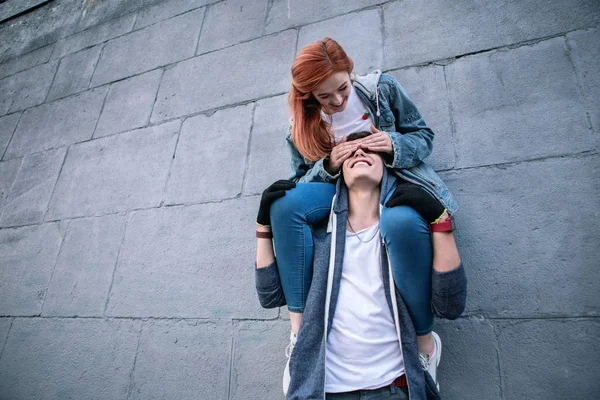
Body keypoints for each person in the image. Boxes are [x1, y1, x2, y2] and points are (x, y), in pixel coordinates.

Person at [258, 37, 460, 392]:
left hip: (394, 178)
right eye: (324, 96)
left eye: (343, 88)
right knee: (285, 203)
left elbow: (424, 136)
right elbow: (299, 179)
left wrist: (394, 144)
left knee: (400, 222)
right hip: (338, 188)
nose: (337, 101)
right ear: (309, 97)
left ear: (351, 72)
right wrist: (329, 163)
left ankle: (426, 344)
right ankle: (300, 333)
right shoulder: (300, 128)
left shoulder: (381, 89)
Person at [254, 132, 467, 399]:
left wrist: (440, 221)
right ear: (339, 171)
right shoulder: (319, 236)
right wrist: (264, 228)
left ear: (386, 165)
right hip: (323, 388)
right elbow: (269, 296)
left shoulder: (407, 228)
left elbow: (450, 306)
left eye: (369, 149)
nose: (359, 152)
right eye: (351, 151)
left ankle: (427, 351)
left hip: (394, 385)